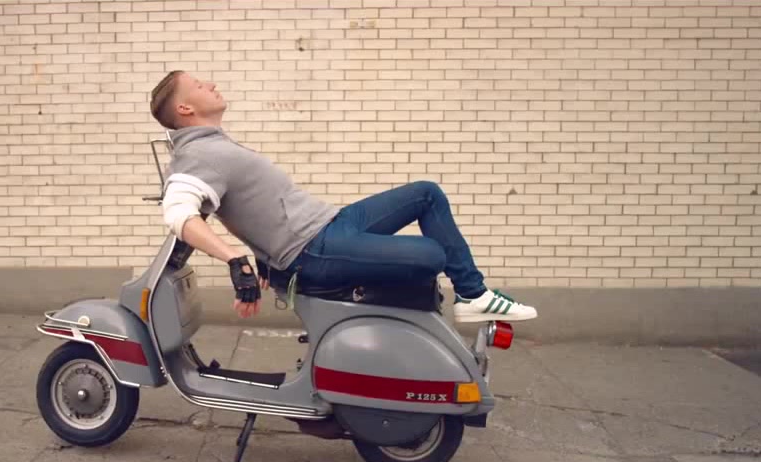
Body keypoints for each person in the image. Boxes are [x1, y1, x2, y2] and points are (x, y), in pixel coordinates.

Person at [148, 70, 537, 324]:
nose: (211, 84)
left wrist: (262, 254)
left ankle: (473, 295)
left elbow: (241, 208)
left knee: (426, 194)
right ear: (185, 107)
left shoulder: (214, 144)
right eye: (199, 86)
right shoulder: (197, 154)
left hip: (333, 223)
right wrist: (236, 260)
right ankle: (471, 296)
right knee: (433, 255)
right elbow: (178, 213)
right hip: (314, 249)